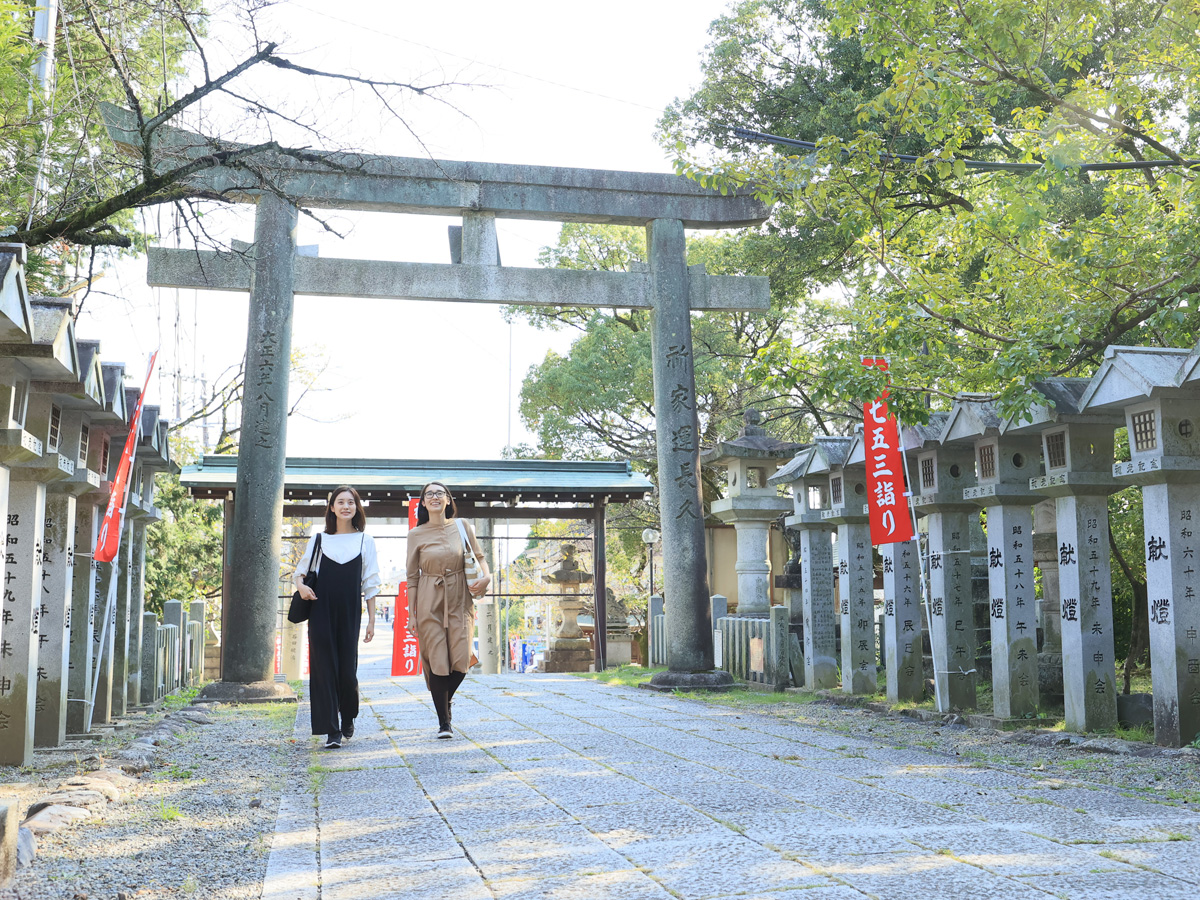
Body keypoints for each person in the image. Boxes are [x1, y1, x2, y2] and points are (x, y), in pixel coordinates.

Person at [292, 485, 381, 749]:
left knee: (346, 668)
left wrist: (372, 621)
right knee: (323, 666)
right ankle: (331, 729)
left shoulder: (366, 540)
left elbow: (371, 584)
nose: (345, 506)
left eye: (350, 502)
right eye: (340, 502)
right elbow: (300, 572)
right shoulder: (319, 539)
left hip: (350, 610)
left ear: (357, 508)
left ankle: (348, 715)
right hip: (320, 609)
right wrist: (301, 587)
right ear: (332, 507)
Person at [406, 481, 490, 739]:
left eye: (439, 493)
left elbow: (480, 557)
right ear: (422, 502)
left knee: (461, 658)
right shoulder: (416, 534)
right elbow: (412, 577)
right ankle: (444, 723)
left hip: (459, 596)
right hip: (429, 596)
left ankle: (443, 698)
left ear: (448, 500)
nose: (434, 497)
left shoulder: (463, 526)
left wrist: (487, 578)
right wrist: (412, 614)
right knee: (437, 658)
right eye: (429, 494)